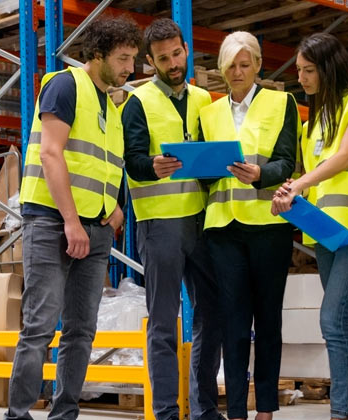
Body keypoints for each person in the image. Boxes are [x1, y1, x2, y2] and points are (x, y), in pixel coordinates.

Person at [4, 14, 139, 420]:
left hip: (95, 228)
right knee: (40, 325)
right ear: (96, 55)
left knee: (81, 331)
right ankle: (18, 413)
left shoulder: (113, 107)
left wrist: (114, 207)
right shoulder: (64, 85)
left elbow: (105, 164)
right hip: (53, 221)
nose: (130, 68)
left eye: (133, 58)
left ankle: (65, 413)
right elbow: (50, 153)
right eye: (123, 58)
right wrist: (70, 222)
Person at [270, 32, 348, 420]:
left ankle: (340, 413)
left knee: (332, 319)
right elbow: (312, 173)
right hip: (324, 230)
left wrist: (299, 183)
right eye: (299, 71)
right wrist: (289, 197)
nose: (301, 78)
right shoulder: (315, 118)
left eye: (308, 70)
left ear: (328, 66)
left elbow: (345, 156)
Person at [197, 31, 297, 420]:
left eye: (244, 64)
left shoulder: (281, 102)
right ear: (221, 69)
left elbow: (287, 160)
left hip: (269, 226)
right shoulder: (209, 112)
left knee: (268, 321)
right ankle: (236, 410)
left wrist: (260, 174)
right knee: (234, 323)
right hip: (224, 229)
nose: (237, 72)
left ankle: (266, 409)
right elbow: (206, 175)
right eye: (230, 65)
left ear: (258, 65)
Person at [121, 18, 216, 420]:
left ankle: (205, 410)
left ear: (186, 48)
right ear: (150, 61)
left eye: (177, 54)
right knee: (163, 323)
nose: (173, 63)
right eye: (163, 59)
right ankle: (165, 412)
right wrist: (152, 166)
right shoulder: (137, 103)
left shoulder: (204, 100)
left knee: (210, 317)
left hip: (202, 221)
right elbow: (130, 160)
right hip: (160, 226)